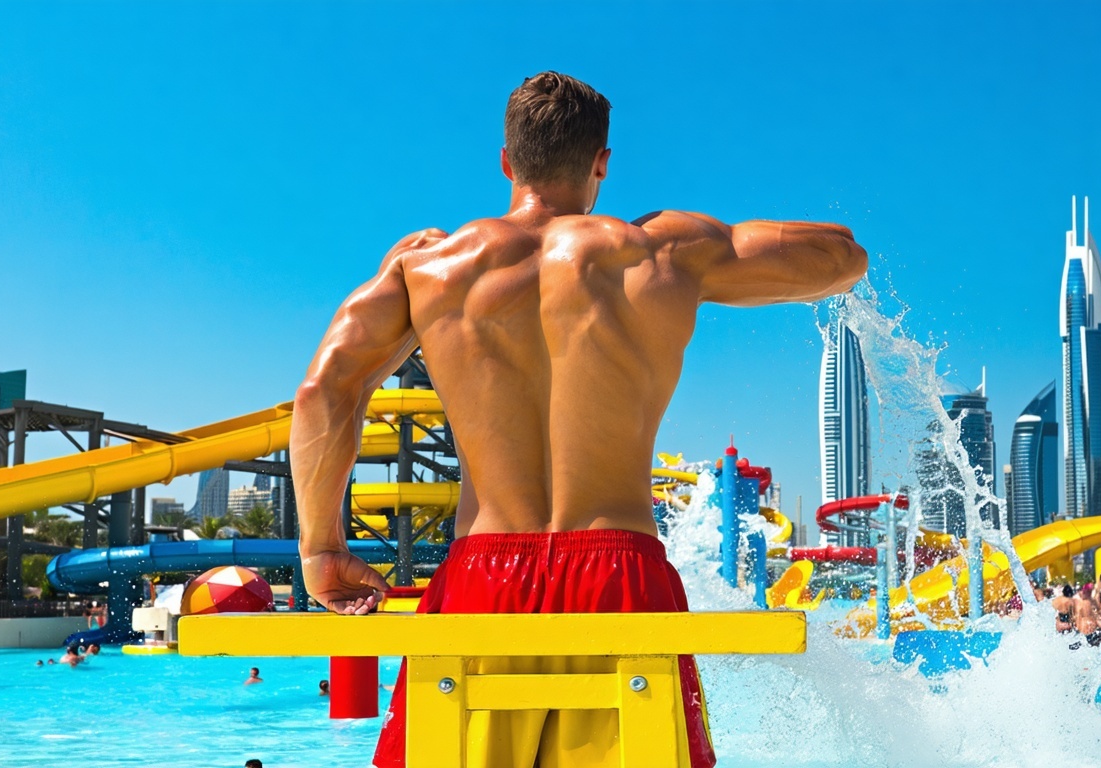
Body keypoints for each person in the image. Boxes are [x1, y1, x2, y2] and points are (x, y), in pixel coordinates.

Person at [291, 71, 867, 768]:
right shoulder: (659, 251)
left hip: (482, 574)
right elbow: (841, 259)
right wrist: (694, 240)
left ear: (506, 160)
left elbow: (323, 392)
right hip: (621, 576)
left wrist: (322, 549)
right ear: (601, 163)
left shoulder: (428, 265)